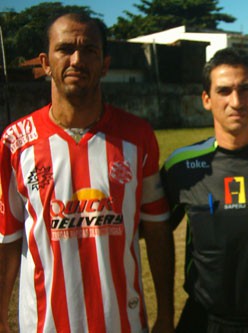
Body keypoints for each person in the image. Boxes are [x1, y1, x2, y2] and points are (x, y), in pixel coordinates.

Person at [0, 13, 174, 333]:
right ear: (45, 62)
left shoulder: (138, 137)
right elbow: (8, 238)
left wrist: (165, 315)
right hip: (43, 325)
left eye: (89, 50)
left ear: (105, 64)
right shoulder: (15, 142)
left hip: (123, 324)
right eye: (65, 49)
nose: (77, 59)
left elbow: (158, 231)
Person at [160, 47, 248, 332]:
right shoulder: (180, 166)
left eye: (245, 89)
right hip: (204, 321)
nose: (236, 101)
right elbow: (151, 235)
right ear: (206, 99)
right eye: (224, 91)